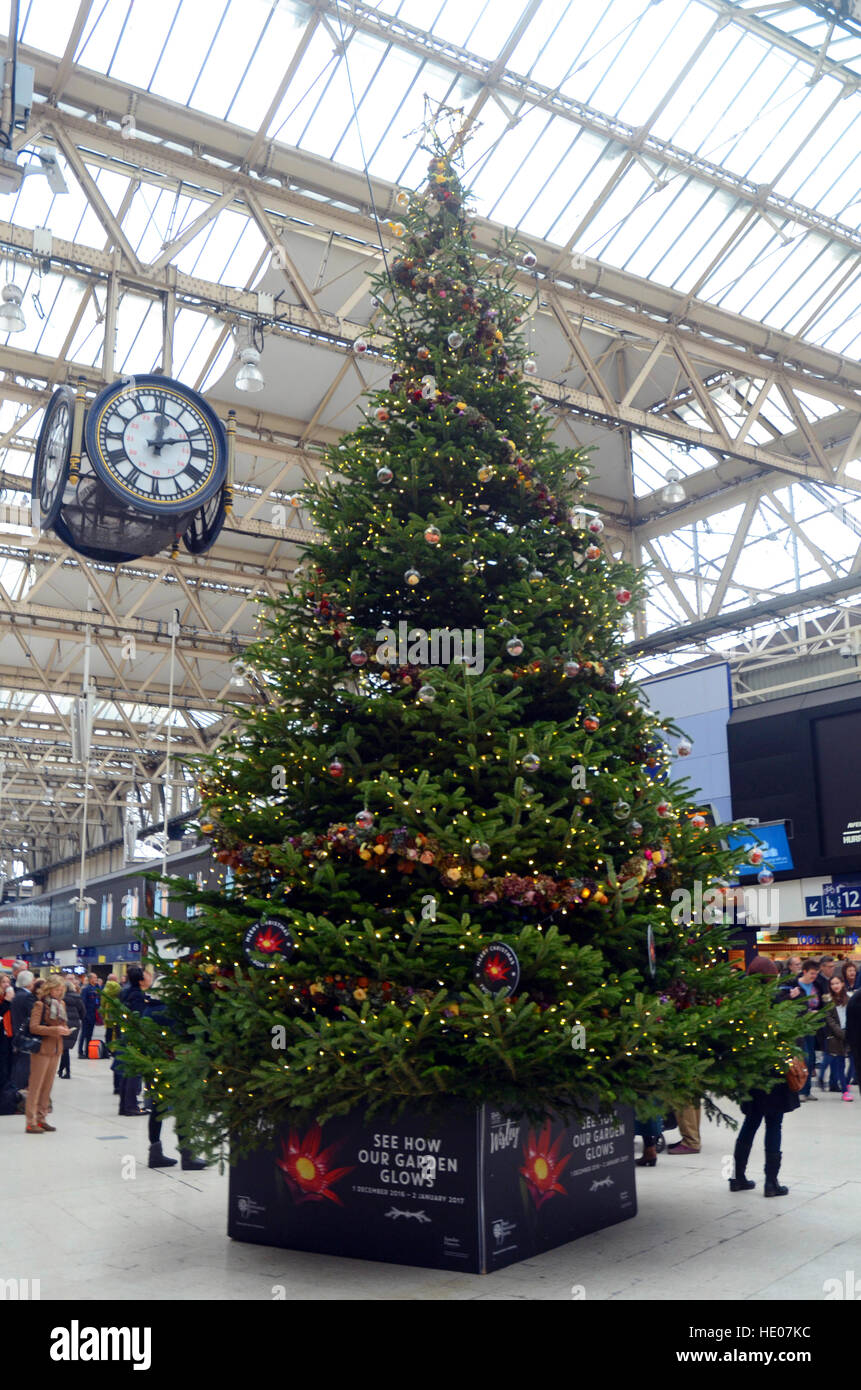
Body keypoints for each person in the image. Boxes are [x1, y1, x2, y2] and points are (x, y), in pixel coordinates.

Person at [729, 956, 799, 1197]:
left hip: (751, 1073)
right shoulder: (777, 1003)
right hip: (775, 1073)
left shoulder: (744, 1004)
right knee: (774, 1124)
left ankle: (737, 1177)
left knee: (750, 1123)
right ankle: (771, 1182)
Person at [25, 975, 71, 1132]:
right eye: (56, 989)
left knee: (47, 1087)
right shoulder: (40, 1005)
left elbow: (62, 1023)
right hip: (42, 1049)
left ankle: (41, 1118)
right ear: (49, 988)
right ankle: (30, 1121)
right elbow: (34, 1027)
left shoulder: (61, 1004)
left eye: (61, 990)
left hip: (56, 1049)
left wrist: (64, 1029)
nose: (59, 992)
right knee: (36, 1086)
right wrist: (54, 1030)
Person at [785, 959, 821, 1100]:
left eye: (816, 974)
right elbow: (790, 1004)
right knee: (802, 1055)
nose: (814, 976)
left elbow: (822, 1002)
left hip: (812, 1027)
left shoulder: (817, 986)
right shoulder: (794, 985)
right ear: (804, 972)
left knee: (811, 1056)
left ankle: (807, 1090)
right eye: (812, 973)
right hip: (798, 1026)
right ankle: (799, 1089)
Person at [116, 965, 148, 1116]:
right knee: (134, 1071)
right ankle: (131, 1105)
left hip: (125, 1033)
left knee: (127, 1070)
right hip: (135, 1035)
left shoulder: (124, 991)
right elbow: (139, 1016)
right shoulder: (138, 995)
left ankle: (124, 1105)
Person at [824, 976, 853, 1100]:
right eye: (832, 984)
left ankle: (845, 1083)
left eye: (837, 983)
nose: (835, 986)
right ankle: (845, 1091)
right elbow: (830, 1020)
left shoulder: (851, 998)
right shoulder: (828, 1001)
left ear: (842, 983)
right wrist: (840, 1033)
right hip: (837, 1036)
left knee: (853, 1063)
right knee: (840, 1063)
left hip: (852, 1033)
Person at [10, 969, 36, 1093]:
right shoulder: (28, 997)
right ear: (29, 982)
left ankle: (17, 1086)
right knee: (25, 1063)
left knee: (20, 1062)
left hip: (17, 1032)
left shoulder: (17, 995)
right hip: (27, 1035)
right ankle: (22, 1088)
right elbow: (34, 1015)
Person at [58, 978, 84, 1079]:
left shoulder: (61, 998)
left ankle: (67, 1072)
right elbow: (83, 1011)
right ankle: (61, 1070)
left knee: (64, 1049)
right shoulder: (78, 997)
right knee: (66, 1048)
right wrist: (79, 1019)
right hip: (75, 1024)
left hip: (63, 1023)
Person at [78, 974, 99, 1058]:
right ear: (90, 979)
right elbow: (83, 1002)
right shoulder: (86, 989)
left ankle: (87, 1051)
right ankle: (80, 1051)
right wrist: (84, 1014)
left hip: (93, 1014)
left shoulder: (96, 989)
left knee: (90, 1034)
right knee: (84, 1034)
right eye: (94, 978)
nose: (96, 979)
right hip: (87, 1014)